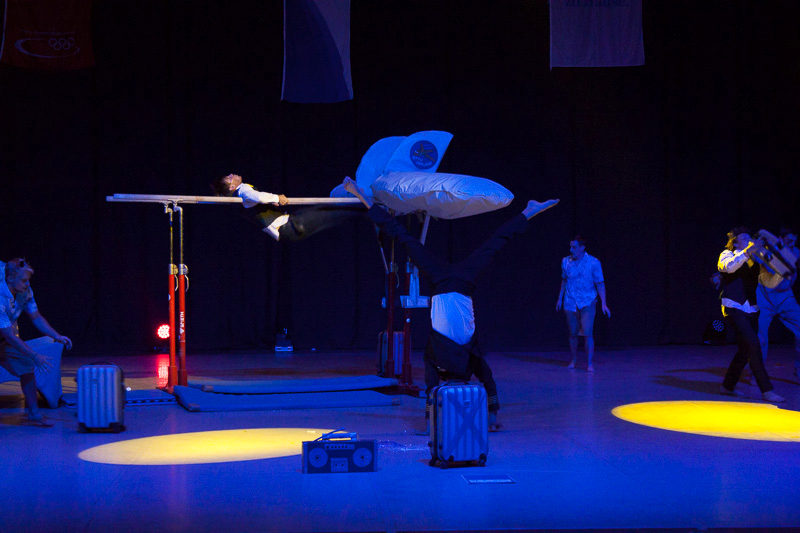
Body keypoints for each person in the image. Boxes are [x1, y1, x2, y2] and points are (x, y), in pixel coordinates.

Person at [343, 176, 559, 432]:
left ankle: (363, 198)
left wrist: (433, 422)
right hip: (455, 282)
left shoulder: (451, 354)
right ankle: (529, 212)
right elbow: (472, 382)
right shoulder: (453, 355)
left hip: (449, 281)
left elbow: (453, 384)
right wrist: (489, 417)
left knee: (413, 239)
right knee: (410, 239)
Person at [0, 258, 72, 426]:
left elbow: (36, 317)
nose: (27, 284)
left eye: (28, 280)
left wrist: (57, 335)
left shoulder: (25, 292)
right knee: (28, 358)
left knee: (26, 365)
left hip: (3, 338)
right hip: (6, 336)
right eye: (23, 280)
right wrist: (35, 355)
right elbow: (10, 336)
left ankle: (34, 414)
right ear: (10, 278)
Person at [717, 227, 783, 402]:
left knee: (745, 350)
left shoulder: (756, 260)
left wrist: (776, 266)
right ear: (735, 242)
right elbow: (728, 268)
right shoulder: (727, 254)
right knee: (754, 345)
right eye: (744, 238)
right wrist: (747, 252)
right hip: (733, 306)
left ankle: (727, 386)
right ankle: (767, 390)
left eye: (750, 238)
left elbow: (770, 281)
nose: (749, 240)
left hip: (751, 308)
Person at [212, 174, 362, 241]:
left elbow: (257, 201)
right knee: (333, 212)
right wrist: (276, 198)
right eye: (229, 178)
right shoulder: (243, 190)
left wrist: (272, 202)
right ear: (232, 187)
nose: (232, 174)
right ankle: (363, 203)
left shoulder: (241, 196)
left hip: (289, 226)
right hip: (289, 227)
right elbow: (258, 197)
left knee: (330, 211)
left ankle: (359, 203)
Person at [555, 236, 610, 372]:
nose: (571, 250)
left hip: (587, 301)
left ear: (582, 247)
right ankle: (573, 360)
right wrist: (560, 298)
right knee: (573, 333)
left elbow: (600, 283)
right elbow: (564, 280)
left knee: (587, 332)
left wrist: (604, 303)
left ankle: (589, 363)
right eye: (570, 247)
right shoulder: (565, 261)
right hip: (570, 301)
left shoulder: (593, 263)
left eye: (574, 247)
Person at [756, 227, 800, 379]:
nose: (792, 244)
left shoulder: (795, 252)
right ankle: (758, 375)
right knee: (760, 338)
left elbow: (789, 267)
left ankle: (799, 370)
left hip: (785, 297)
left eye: (794, 241)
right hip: (765, 298)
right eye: (788, 241)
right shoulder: (764, 251)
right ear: (780, 239)